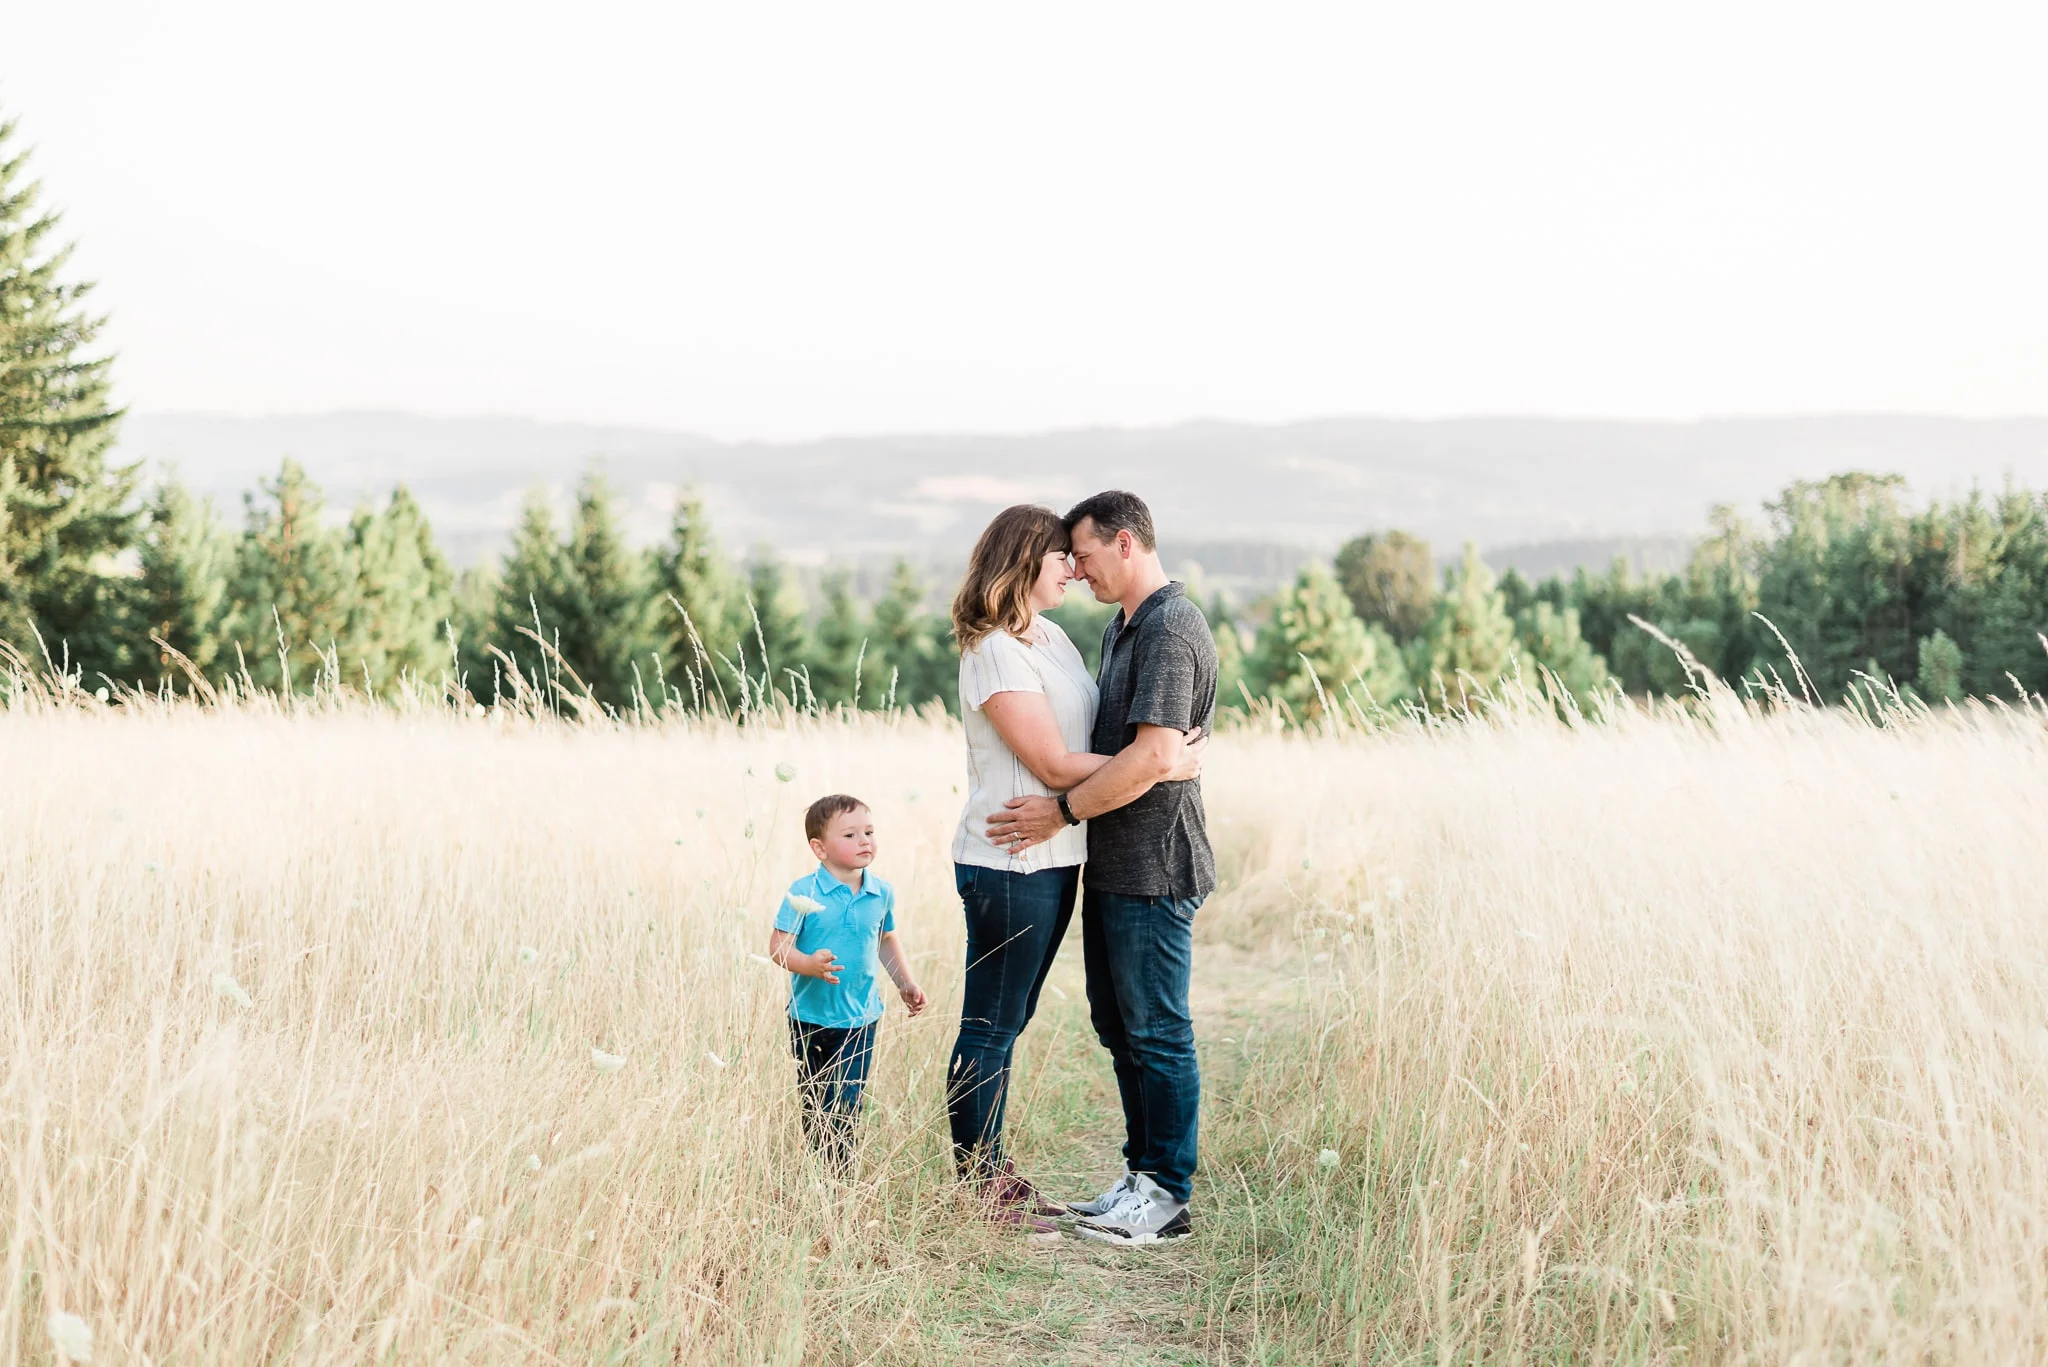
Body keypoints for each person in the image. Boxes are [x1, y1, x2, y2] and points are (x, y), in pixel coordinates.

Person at [945, 504, 1206, 1232]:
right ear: (1024, 560)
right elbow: (1056, 762)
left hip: (1059, 857)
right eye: (1060, 555)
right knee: (992, 1024)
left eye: (1076, 553)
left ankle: (1119, 1184)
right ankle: (980, 1189)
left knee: (1016, 1018)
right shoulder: (995, 648)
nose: (1071, 567)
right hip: (1009, 859)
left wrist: (1151, 764)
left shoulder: (1054, 636)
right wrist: (1160, 764)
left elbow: (1089, 742)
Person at [770, 793, 927, 1174]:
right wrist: (807, 964)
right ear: (819, 848)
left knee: (849, 1100)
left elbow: (885, 939)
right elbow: (778, 948)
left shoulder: (880, 892)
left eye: (869, 832)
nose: (865, 842)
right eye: (851, 835)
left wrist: (905, 983)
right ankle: (821, 1173)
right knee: (818, 1101)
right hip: (812, 1017)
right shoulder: (804, 892)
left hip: (861, 1017)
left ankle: (840, 1175)